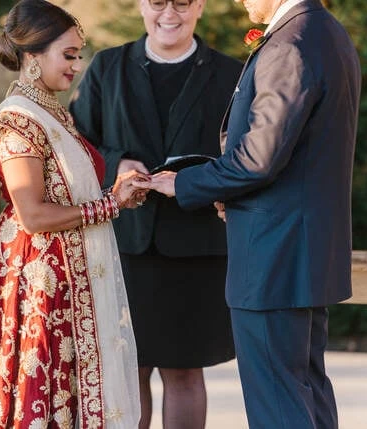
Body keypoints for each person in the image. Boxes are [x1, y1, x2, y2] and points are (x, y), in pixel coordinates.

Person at [140, 0, 362, 428]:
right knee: (306, 392)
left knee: (277, 403)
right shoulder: (326, 32)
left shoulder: (289, 45)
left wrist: (184, 183)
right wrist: (225, 191)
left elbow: (258, 159)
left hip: (273, 254)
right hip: (301, 251)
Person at [0, 1, 148, 428]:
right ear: (32, 56)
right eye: (68, 55)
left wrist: (117, 196)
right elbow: (32, 214)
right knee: (38, 398)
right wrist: (110, 204)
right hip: (36, 287)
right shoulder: (18, 122)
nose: (77, 66)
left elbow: (64, 196)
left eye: (78, 55)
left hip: (62, 282)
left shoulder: (51, 112)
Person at [69, 0, 242, 427]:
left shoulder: (232, 74)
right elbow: (76, 142)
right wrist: (116, 163)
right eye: (157, 2)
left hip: (198, 245)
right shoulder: (108, 67)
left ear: (199, 6)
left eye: (182, 2)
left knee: (185, 371)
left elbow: (245, 155)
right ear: (141, 6)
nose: (169, 13)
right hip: (124, 245)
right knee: (130, 369)